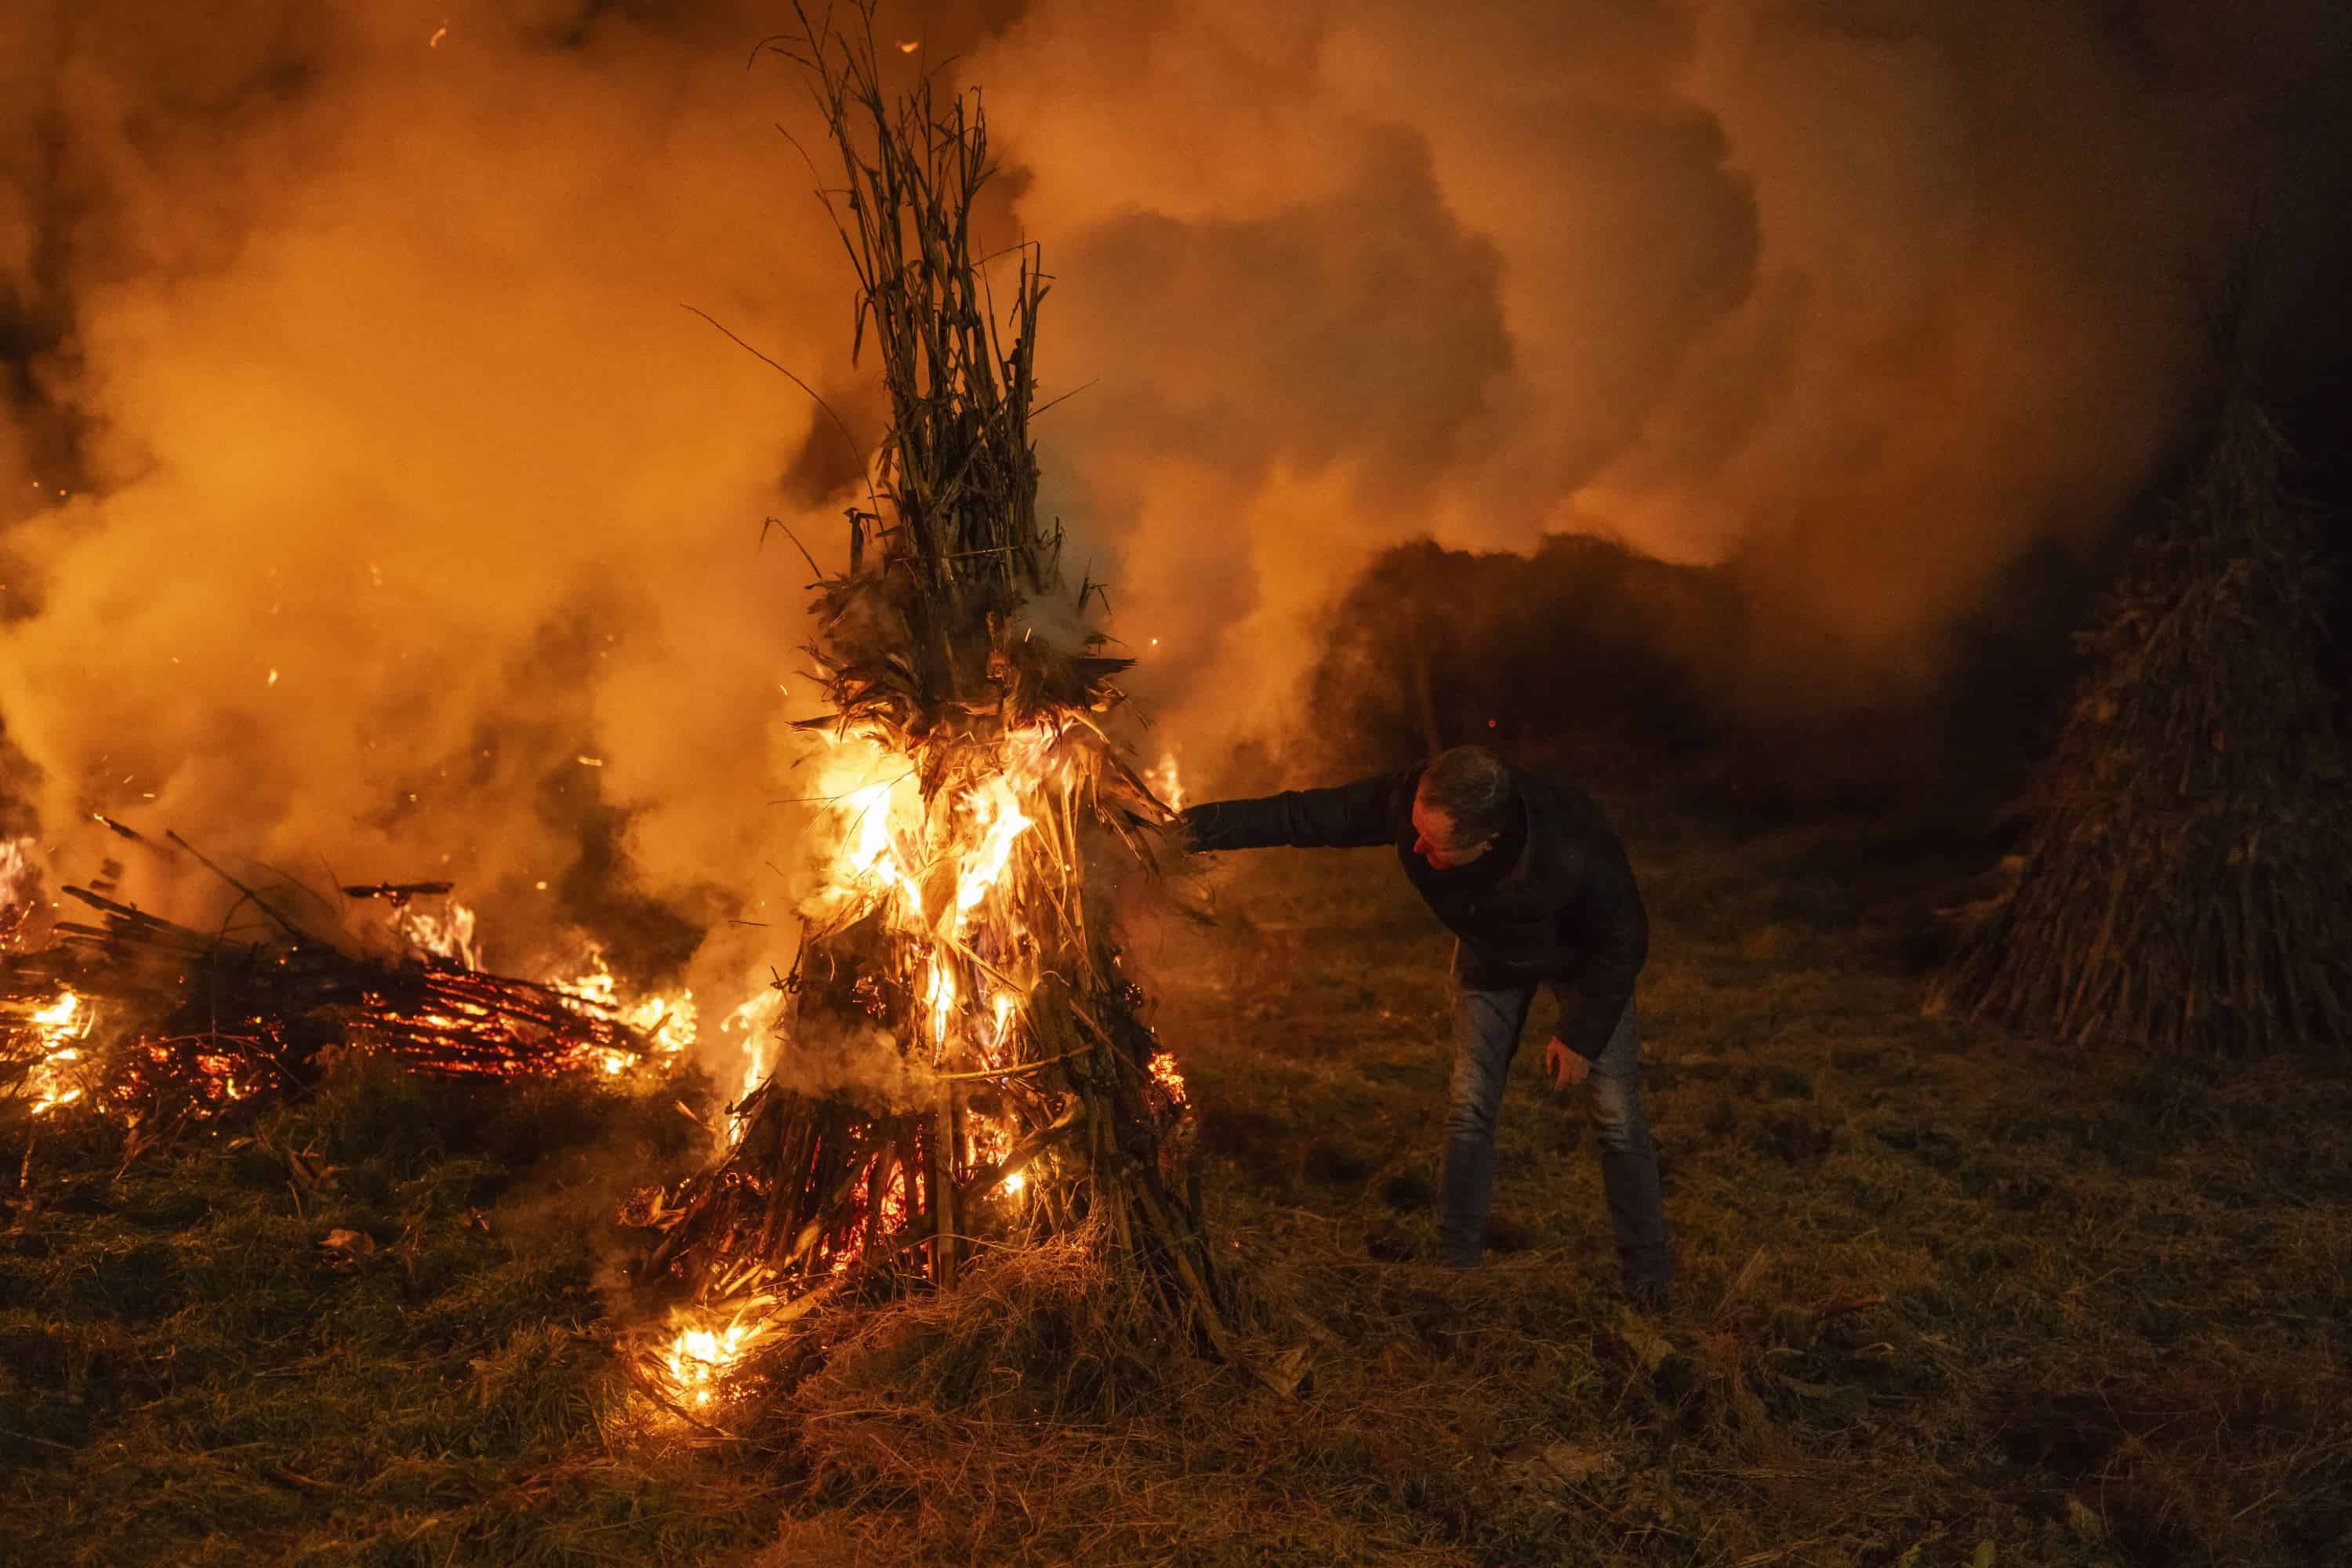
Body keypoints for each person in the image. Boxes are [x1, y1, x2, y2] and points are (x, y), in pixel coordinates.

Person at [1181, 745, 1670, 1308]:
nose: (1414, 847)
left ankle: (1648, 1272)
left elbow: (1623, 940)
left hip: (1584, 963)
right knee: (1470, 1108)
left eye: (1434, 844)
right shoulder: (1415, 797)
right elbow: (1304, 815)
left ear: (1486, 840)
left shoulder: (1572, 838)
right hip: (1491, 959)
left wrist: (1582, 1035)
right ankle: (1457, 1266)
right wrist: (1190, 831)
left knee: (1616, 1117)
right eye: (1415, 829)